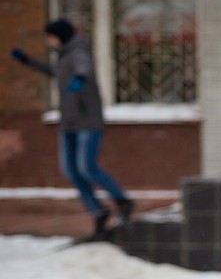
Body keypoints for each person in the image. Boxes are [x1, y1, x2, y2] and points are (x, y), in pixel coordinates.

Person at [10, 19, 134, 240]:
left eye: (51, 37)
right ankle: (98, 212)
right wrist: (27, 60)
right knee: (70, 170)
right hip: (69, 122)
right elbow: (54, 72)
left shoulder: (78, 51)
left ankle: (122, 200)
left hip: (87, 120)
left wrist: (80, 78)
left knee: (86, 167)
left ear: (61, 36)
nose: (49, 41)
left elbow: (83, 66)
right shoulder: (63, 56)